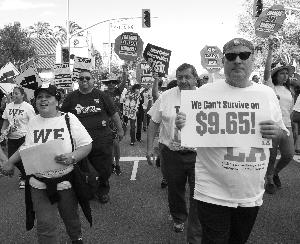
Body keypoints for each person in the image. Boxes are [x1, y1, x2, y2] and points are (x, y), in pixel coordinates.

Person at [175, 38, 287, 243]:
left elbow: (281, 132)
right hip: (212, 191)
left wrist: (276, 132)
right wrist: (182, 123)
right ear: (223, 61)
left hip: (250, 194)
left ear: (252, 59)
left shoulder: (267, 94)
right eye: (231, 56)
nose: (238, 60)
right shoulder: (204, 93)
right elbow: (186, 131)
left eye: (244, 55)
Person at [1, 84, 92, 243]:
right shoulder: (34, 122)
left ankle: (77, 239)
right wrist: (9, 162)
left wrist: (72, 156)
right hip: (39, 183)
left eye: (48, 96)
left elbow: (86, 144)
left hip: (65, 181)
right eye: (39, 97)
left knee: (70, 218)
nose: (43, 100)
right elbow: (26, 146)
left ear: (57, 100)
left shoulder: (69, 119)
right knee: (45, 224)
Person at [147, 63, 202, 243]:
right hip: (171, 153)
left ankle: (197, 224)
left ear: (195, 78)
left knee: (199, 191)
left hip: (198, 155)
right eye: (180, 77)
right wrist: (149, 148)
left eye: (187, 77)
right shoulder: (166, 96)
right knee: (175, 189)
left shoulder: (205, 97)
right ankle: (179, 218)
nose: (183, 80)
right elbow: (154, 122)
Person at [61, 69, 124, 204]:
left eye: (87, 78)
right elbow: (61, 116)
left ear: (93, 80)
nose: (84, 80)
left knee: (104, 168)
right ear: (78, 81)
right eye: (81, 78)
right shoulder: (71, 97)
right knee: (83, 169)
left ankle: (102, 191)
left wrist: (120, 130)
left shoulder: (102, 96)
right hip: (79, 142)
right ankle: (87, 190)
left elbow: (114, 114)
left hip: (102, 140)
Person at [263, 38, 295, 194]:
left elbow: (289, 109)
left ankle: (275, 172)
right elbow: (267, 71)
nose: (285, 76)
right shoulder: (269, 87)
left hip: (287, 126)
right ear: (276, 75)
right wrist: (270, 50)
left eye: (286, 74)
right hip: (274, 126)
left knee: (289, 155)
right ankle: (269, 178)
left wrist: (291, 125)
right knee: (272, 155)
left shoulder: (290, 90)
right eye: (282, 73)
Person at [1, 86, 36, 188]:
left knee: (24, 158)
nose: (14, 95)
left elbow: (33, 122)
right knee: (13, 159)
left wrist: (31, 135)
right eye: (13, 93)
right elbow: (6, 120)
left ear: (22, 95)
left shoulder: (28, 107)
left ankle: (26, 177)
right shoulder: (8, 106)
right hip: (11, 137)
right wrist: (3, 131)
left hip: (23, 137)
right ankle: (26, 174)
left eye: (17, 93)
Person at [103, 67, 128, 176]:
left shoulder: (118, 91)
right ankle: (111, 164)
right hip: (106, 122)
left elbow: (124, 81)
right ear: (107, 84)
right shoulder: (102, 94)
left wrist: (125, 73)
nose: (111, 84)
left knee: (116, 144)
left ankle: (117, 164)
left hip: (116, 122)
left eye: (113, 82)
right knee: (109, 145)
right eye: (109, 83)